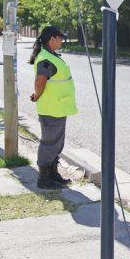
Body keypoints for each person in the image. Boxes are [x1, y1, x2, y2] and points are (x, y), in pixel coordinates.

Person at [28, 26, 77, 189]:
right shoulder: (45, 59)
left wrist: (37, 94)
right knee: (50, 143)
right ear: (52, 39)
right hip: (51, 107)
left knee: (57, 143)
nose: (62, 40)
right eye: (60, 38)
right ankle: (44, 178)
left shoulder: (50, 56)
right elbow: (40, 82)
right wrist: (38, 95)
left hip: (57, 106)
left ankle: (53, 174)